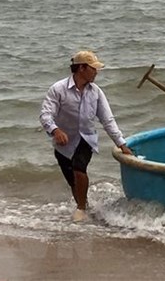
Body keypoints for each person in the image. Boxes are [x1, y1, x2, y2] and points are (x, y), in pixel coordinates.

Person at [40, 50, 133, 222]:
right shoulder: (58, 89)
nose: (96, 72)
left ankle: (81, 209)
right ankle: (85, 209)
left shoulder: (96, 92)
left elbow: (107, 120)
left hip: (86, 138)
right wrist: (55, 130)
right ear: (81, 68)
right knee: (73, 182)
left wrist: (122, 144)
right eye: (93, 68)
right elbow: (45, 115)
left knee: (79, 167)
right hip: (63, 142)